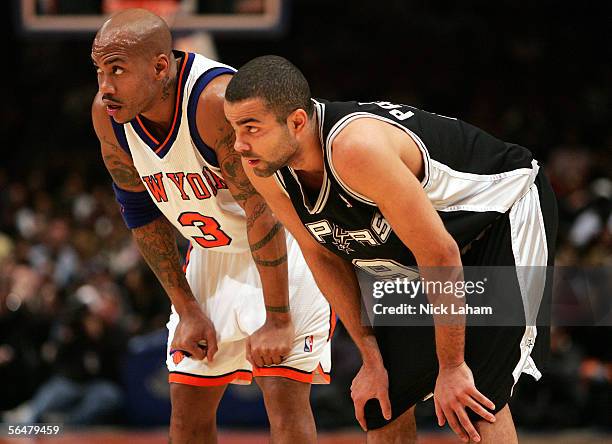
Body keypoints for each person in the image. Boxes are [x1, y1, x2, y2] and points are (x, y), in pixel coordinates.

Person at [224, 55, 558, 443]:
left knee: (472, 395)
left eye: (251, 128)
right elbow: (321, 254)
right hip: (427, 246)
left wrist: (451, 366)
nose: (239, 144)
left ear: (297, 122)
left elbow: (441, 256)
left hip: (501, 214)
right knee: (381, 402)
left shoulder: (355, 148)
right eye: (234, 128)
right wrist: (370, 358)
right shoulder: (262, 164)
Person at [90, 11, 333, 444]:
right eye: (100, 71)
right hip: (212, 252)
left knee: (283, 401)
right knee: (186, 416)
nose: (105, 86)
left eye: (118, 70)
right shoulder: (108, 116)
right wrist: (187, 310)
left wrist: (278, 319)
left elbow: (264, 213)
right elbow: (140, 214)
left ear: (160, 67)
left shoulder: (213, 103)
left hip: (288, 242)